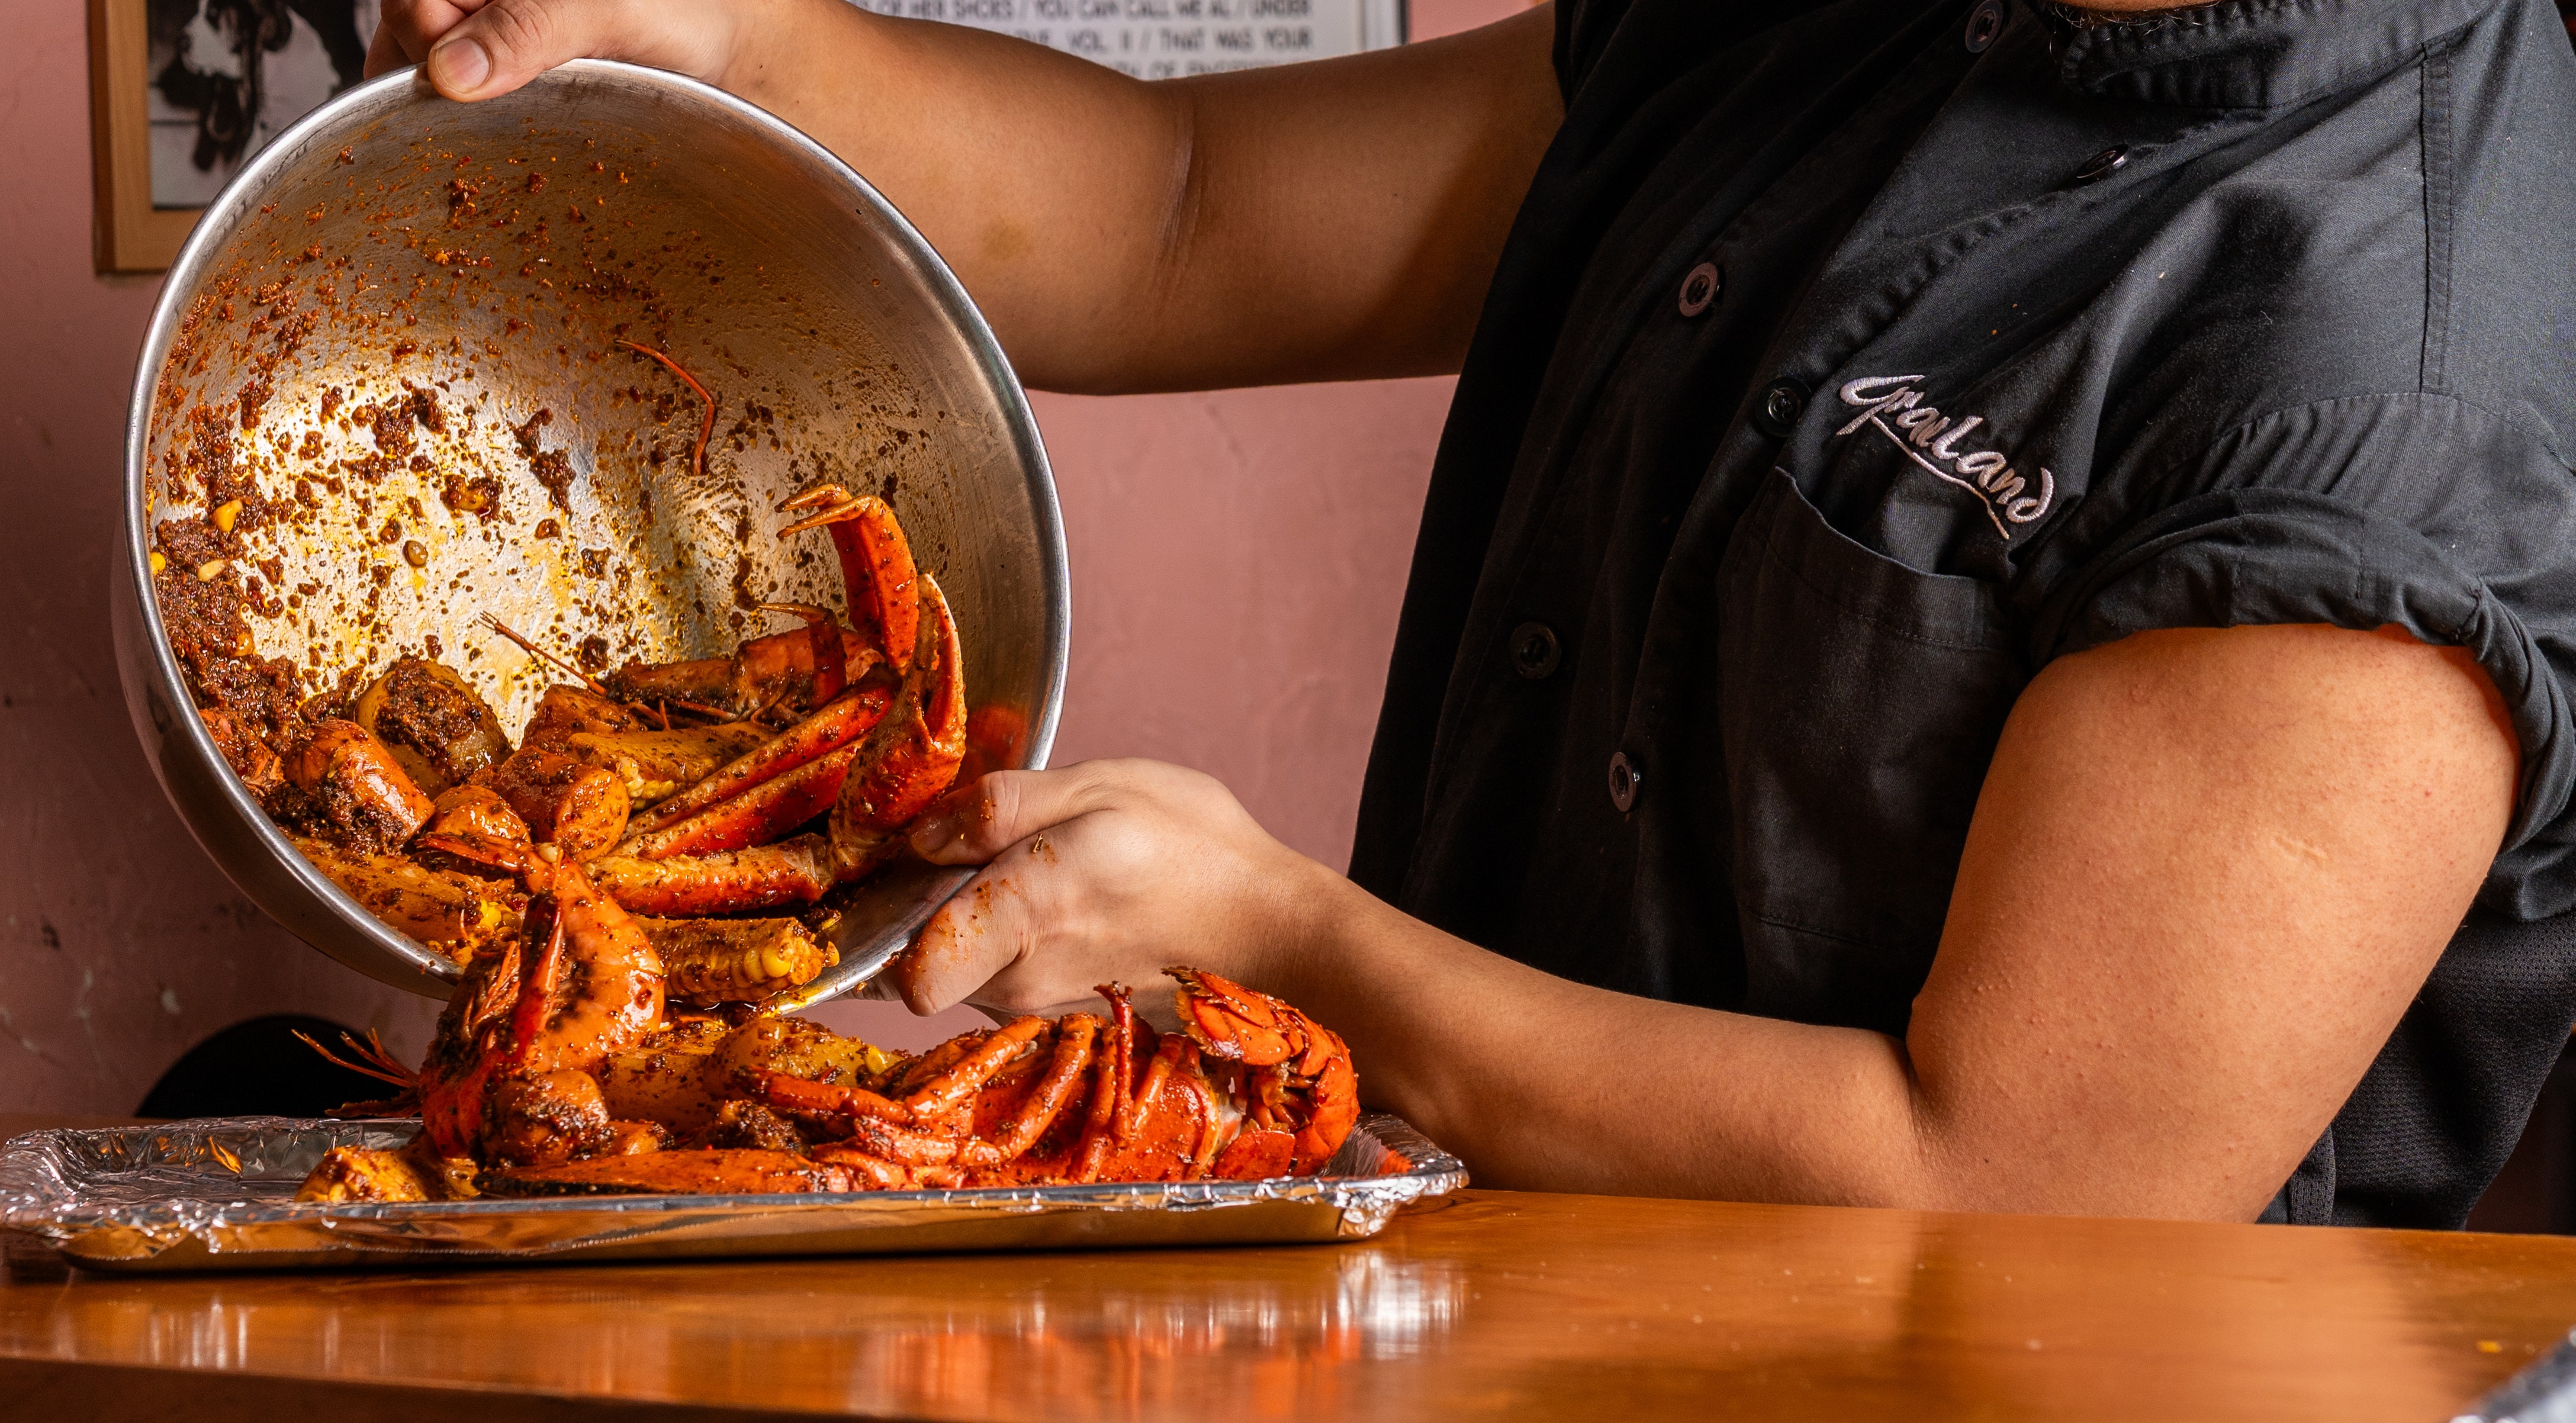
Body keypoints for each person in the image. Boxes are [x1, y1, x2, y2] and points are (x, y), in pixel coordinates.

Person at [369, 0, 2576, 1226]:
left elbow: (2002, 1180)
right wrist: (727, 40)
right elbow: (1177, 212)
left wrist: (1282, 934)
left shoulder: (2386, 364)